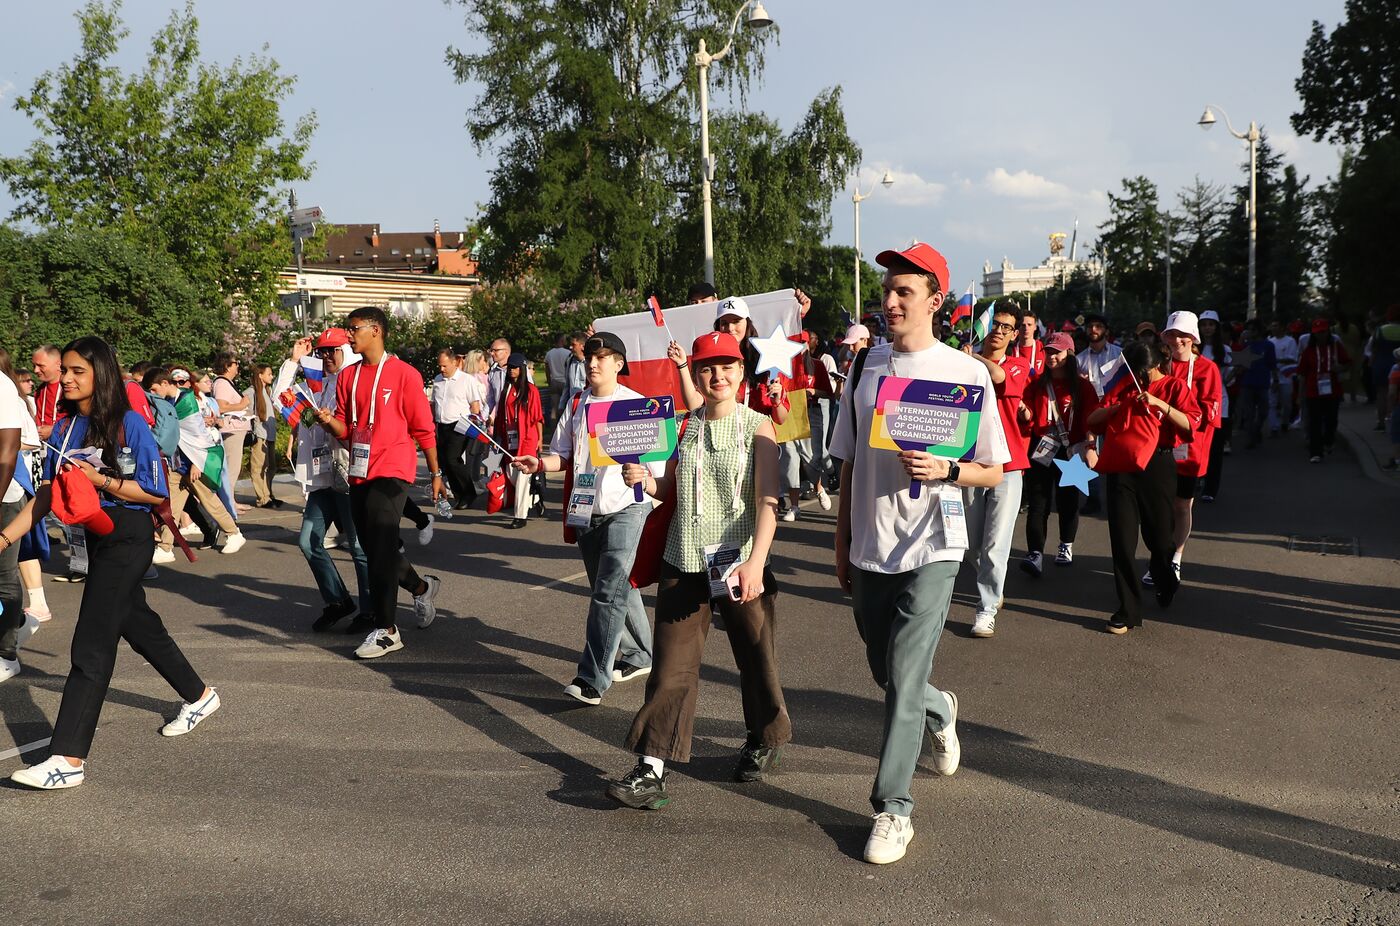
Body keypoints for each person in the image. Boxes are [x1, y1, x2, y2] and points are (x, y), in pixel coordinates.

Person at [829, 242, 1009, 865]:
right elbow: (849, 460)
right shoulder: (864, 368)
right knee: (887, 673)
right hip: (871, 545)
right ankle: (942, 707)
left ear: (936, 301)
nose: (890, 301)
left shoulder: (966, 371)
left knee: (902, 679)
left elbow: (995, 470)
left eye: (905, 291)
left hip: (936, 542)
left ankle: (892, 809)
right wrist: (841, 538)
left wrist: (949, 469)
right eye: (887, 290)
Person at [6, 337, 219, 790]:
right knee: (138, 624)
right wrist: (5, 535)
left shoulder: (129, 424)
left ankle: (67, 759)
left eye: (76, 371)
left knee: (90, 645)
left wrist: (100, 479)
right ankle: (200, 696)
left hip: (129, 535)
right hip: (95, 538)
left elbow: (156, 491)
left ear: (99, 374)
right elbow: (46, 495)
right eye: (63, 370)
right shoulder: (63, 430)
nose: (65, 378)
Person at [605, 329, 789, 810]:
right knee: (670, 670)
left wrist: (757, 562)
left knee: (755, 660)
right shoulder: (683, 426)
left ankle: (764, 738)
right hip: (683, 561)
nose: (717, 375)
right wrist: (644, 477)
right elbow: (668, 487)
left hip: (739, 566)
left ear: (741, 372)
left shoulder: (759, 426)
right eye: (707, 367)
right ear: (697, 372)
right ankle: (651, 769)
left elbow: (768, 500)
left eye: (726, 366)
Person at [512, 332, 660, 705]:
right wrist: (538, 463)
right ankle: (641, 653)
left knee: (608, 593)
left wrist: (642, 475)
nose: (593, 363)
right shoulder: (578, 402)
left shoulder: (638, 406)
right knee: (615, 589)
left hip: (628, 508)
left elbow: (658, 466)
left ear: (618, 364)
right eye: (590, 357)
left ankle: (592, 679)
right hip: (585, 511)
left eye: (603, 357)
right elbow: (562, 455)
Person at [312, 307, 443, 659]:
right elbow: (345, 431)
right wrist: (328, 423)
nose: (347, 335)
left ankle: (386, 629)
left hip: (394, 469)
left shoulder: (404, 374)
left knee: (381, 546)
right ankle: (421, 586)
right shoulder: (348, 377)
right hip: (359, 469)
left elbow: (423, 428)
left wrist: (435, 473)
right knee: (376, 550)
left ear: (375, 330)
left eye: (353, 329)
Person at [1088, 340, 1200, 635]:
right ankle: (1128, 609)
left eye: (1145, 372)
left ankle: (1166, 579)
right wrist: (1120, 406)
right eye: (1136, 372)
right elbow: (1093, 419)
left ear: (1157, 366)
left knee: (1159, 538)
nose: (1140, 378)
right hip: (1122, 466)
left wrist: (1159, 403)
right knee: (1122, 541)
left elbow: (1191, 424)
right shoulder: (1124, 385)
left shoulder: (1175, 387)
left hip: (1158, 466)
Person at [274, 330, 373, 633]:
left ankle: (373, 611)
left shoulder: (354, 382)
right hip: (321, 479)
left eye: (333, 351)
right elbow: (281, 400)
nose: (327, 357)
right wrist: (293, 361)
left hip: (348, 475)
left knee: (358, 547)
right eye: (322, 352)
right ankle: (338, 601)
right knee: (308, 542)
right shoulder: (313, 386)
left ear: (346, 350)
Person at [961, 301, 1031, 638]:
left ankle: (986, 608)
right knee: (972, 545)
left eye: (1006, 327)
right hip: (971, 462)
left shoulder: (1017, 365)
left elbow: (999, 376)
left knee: (995, 544)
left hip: (1008, 466)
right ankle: (994, 585)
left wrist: (971, 357)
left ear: (1015, 334)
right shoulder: (965, 365)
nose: (998, 331)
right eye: (995, 324)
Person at [1020, 332, 1098, 575]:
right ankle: (1035, 554)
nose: (1052, 356)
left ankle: (1065, 545)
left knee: (1068, 502)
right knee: (1038, 503)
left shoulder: (1082, 386)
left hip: (1071, 450)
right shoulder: (1037, 384)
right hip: (1041, 449)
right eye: (1049, 351)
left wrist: (1090, 446)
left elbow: (1091, 418)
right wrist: (1023, 410)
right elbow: (1029, 416)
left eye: (1058, 352)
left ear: (1069, 354)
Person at [1154, 312, 1221, 587]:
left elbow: (1210, 414)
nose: (1177, 340)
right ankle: (1159, 558)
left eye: (1183, 335)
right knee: (1160, 508)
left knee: (1182, 505)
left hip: (1190, 451)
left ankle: (1175, 556)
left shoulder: (1207, 368)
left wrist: (1180, 413)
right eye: (1172, 334)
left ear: (1193, 338)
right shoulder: (1160, 366)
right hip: (1159, 449)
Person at [0, 349, 38, 683]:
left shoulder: (2, 387)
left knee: (4, 574)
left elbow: (8, 452)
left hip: (6, 497)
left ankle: (7, 653)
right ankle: (21, 623)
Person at [493, 353, 544, 528]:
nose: (512, 370)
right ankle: (535, 495)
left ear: (521, 369)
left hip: (528, 437)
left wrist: (540, 440)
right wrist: (497, 437)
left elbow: (537, 417)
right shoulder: (505, 390)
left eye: (515, 367)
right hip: (509, 437)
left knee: (522, 476)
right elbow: (500, 415)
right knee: (511, 474)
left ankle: (520, 516)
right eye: (510, 367)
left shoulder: (531, 391)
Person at [431, 348, 484, 510]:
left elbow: (475, 405)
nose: (441, 369)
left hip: (460, 424)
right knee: (446, 462)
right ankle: (460, 494)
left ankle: (468, 492)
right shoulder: (438, 380)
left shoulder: (466, 380)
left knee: (453, 459)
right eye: (440, 366)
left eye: (445, 366)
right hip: (442, 425)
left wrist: (475, 423)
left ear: (454, 362)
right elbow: (434, 404)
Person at [1297, 318, 1349, 464]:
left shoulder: (1336, 347)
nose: (1320, 335)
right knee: (1315, 421)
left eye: (1323, 332)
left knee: (1332, 419)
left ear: (1328, 332)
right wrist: (1300, 395)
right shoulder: (1308, 351)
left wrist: (1340, 368)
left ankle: (1328, 440)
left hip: (1333, 390)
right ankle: (1315, 451)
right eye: (1317, 333)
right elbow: (1302, 374)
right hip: (1314, 391)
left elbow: (1348, 363)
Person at [1198, 310, 1233, 502]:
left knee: (1215, 448)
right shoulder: (1194, 348)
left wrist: (1222, 382)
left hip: (1220, 404)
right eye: (1204, 324)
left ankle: (1210, 488)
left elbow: (1231, 373)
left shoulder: (1225, 351)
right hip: (1196, 404)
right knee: (1196, 445)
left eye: (1211, 324)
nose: (1207, 328)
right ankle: (1197, 478)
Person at [211, 353, 252, 511]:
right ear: (227, 366)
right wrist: (242, 404)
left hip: (235, 429)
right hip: (231, 429)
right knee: (231, 467)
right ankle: (227, 504)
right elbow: (221, 406)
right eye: (235, 363)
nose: (238, 366)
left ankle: (230, 501)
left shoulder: (226, 383)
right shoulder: (222, 383)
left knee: (233, 467)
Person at [1233, 319, 1276, 449]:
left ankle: (1257, 430)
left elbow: (1272, 364)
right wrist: (1241, 341)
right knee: (1249, 413)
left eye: (1253, 330)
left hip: (1263, 383)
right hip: (1247, 383)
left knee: (1263, 411)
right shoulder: (1246, 345)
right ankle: (1250, 438)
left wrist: (1276, 380)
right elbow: (1237, 360)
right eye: (1249, 329)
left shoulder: (1268, 345)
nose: (1250, 332)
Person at [245, 362, 282, 509]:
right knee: (258, 467)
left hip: (270, 434)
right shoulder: (251, 392)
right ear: (260, 375)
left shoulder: (268, 391)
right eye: (269, 374)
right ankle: (262, 498)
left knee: (271, 467)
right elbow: (246, 412)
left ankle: (268, 494)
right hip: (260, 435)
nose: (271, 376)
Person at [1268, 318, 1300, 435]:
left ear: (1282, 327)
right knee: (1272, 403)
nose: (1273, 328)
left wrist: (1276, 360)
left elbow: (1292, 358)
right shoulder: (1270, 341)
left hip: (1286, 376)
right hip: (1272, 376)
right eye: (1272, 326)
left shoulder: (1290, 341)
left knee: (1286, 403)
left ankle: (1285, 422)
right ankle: (1274, 427)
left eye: (1276, 326)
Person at [1010, 306, 1044, 380]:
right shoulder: (1010, 350)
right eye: (1023, 325)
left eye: (1029, 324)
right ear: (1018, 327)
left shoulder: (1042, 348)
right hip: (1018, 390)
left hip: (1038, 390)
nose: (1026, 328)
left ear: (1035, 327)